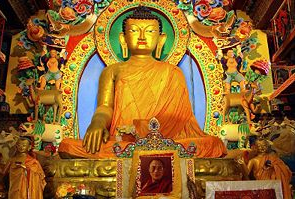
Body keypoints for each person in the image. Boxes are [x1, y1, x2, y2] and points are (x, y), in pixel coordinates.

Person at [59, 6, 227, 158]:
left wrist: (142, 129)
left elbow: (179, 117)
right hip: (124, 142)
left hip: (166, 141)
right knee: (67, 146)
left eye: (149, 32)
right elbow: (104, 107)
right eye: (133, 31)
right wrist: (97, 123)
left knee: (213, 144)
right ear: (122, 39)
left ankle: (149, 152)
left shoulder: (173, 72)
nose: (141, 36)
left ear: (161, 39)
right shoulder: (112, 71)